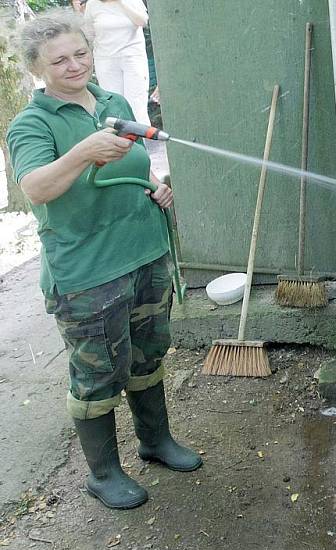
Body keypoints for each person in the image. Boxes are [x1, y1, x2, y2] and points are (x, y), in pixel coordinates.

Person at [6, 9, 201, 510]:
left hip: (145, 255)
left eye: (81, 53)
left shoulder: (113, 101)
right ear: (37, 68)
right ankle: (103, 473)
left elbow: (136, 165)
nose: (75, 65)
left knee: (147, 352)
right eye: (60, 59)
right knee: (97, 372)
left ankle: (155, 441)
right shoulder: (31, 124)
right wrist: (82, 153)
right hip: (87, 273)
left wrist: (157, 188)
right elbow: (36, 188)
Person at [82, 0, 151, 126]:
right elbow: (88, 33)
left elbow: (142, 21)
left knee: (136, 106)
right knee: (113, 105)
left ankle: (141, 144)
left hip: (132, 56)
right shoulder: (92, 3)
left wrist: (121, 2)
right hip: (105, 59)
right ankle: (119, 142)